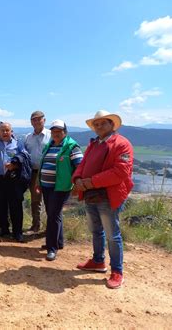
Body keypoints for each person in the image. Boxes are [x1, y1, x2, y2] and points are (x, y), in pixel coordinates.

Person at [72, 110, 133, 289]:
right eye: (96, 124)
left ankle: (117, 271)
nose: (99, 127)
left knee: (112, 235)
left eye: (102, 123)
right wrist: (77, 179)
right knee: (96, 230)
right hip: (91, 194)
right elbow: (82, 164)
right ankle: (98, 261)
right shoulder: (94, 144)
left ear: (112, 125)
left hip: (108, 195)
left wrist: (90, 182)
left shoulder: (122, 144)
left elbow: (120, 172)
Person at [39, 120, 83, 261]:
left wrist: (77, 184)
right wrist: (39, 182)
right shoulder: (49, 145)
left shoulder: (71, 147)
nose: (56, 134)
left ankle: (52, 248)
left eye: (59, 131)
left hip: (61, 187)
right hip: (46, 186)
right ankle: (59, 242)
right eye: (53, 131)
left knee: (53, 216)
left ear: (65, 132)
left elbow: (80, 167)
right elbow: (43, 164)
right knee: (54, 214)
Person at [0, 122, 30, 242]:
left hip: (13, 178)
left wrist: (14, 163)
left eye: (7, 130)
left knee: (16, 206)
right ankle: (4, 229)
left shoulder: (18, 143)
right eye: (2, 130)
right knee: (1, 205)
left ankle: (17, 232)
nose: (5, 132)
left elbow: (24, 155)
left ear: (11, 131)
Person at [24, 110, 51, 234]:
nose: (36, 121)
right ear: (31, 122)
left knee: (51, 200)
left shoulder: (51, 135)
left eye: (39, 119)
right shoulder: (27, 137)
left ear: (44, 120)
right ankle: (36, 226)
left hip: (49, 172)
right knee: (36, 200)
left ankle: (51, 228)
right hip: (34, 173)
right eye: (34, 119)